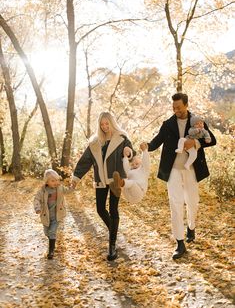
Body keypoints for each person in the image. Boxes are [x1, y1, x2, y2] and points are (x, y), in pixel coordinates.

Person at [141, 93, 216, 260]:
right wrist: (147, 146)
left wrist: (195, 143)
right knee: (175, 204)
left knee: (192, 202)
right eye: (174, 108)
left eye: (179, 108)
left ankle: (191, 226)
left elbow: (212, 140)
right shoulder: (167, 124)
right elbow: (157, 141)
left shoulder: (197, 120)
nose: (176, 111)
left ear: (186, 105)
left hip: (192, 169)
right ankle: (180, 242)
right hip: (173, 169)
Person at [72, 112, 134, 261]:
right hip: (100, 179)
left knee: (113, 209)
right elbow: (85, 161)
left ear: (112, 123)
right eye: (102, 124)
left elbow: (131, 151)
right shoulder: (95, 142)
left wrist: (129, 152)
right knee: (100, 209)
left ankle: (112, 247)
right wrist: (76, 178)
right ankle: (114, 230)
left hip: (115, 179)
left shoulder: (121, 138)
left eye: (107, 123)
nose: (105, 127)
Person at [34, 169, 74, 259]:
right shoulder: (43, 191)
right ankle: (51, 239)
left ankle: (51, 250)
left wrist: (73, 185)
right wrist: (37, 208)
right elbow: (36, 199)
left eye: (57, 180)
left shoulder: (60, 188)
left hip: (57, 215)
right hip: (46, 216)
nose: (56, 182)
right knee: (46, 232)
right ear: (47, 182)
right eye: (53, 181)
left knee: (52, 232)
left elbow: (68, 190)